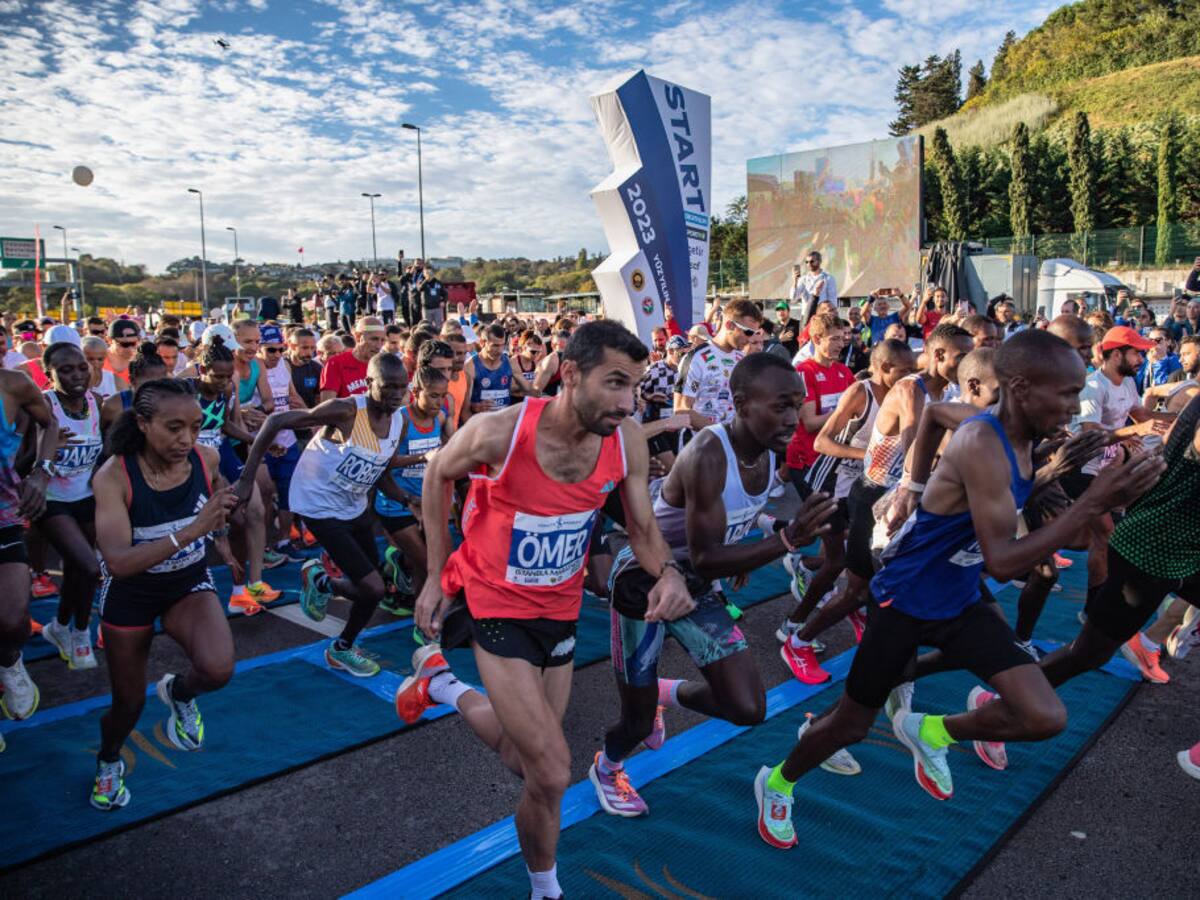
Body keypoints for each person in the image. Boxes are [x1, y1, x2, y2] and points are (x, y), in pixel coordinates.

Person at [753, 330, 1164, 849]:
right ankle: (778, 781)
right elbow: (1003, 561)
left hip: (959, 599)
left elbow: (934, 417)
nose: (1072, 406)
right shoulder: (981, 442)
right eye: (1063, 393)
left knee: (1043, 714)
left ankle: (931, 730)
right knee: (851, 726)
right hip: (904, 599)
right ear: (1019, 387)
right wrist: (1092, 503)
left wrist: (914, 486)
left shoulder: (1006, 433)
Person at [399, 321, 691, 900]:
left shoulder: (626, 439)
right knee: (554, 771)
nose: (627, 401)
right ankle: (546, 889)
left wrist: (671, 574)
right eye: (614, 383)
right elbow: (437, 472)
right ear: (570, 372)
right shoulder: (499, 432)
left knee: (522, 758)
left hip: (558, 611)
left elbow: (642, 529)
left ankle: (440, 687)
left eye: (634, 386)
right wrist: (435, 573)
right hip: (493, 603)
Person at [593, 354, 840, 816]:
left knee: (748, 707)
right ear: (741, 404)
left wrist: (753, 542)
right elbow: (706, 554)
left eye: (797, 405)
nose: (793, 419)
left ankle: (664, 692)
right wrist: (787, 538)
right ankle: (607, 766)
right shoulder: (709, 452)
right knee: (636, 720)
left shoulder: (770, 448)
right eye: (781, 407)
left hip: (701, 582)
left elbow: (733, 523)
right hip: (645, 581)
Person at [781, 326, 970, 684]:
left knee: (872, 585)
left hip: (892, 497)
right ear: (938, 355)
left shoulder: (950, 391)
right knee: (854, 582)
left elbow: (943, 446)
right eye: (963, 356)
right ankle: (797, 637)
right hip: (866, 494)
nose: (969, 363)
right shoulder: (908, 390)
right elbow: (917, 446)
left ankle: (876, 654)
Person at [90, 378, 239, 810]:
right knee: (129, 703)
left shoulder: (205, 457)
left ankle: (179, 693)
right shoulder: (114, 476)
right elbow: (117, 561)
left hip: (187, 581)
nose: (186, 438)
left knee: (217, 669)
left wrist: (223, 540)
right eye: (173, 427)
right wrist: (193, 530)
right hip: (131, 592)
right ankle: (108, 759)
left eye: (194, 427)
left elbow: (217, 505)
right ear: (142, 424)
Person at [238, 353, 410, 677]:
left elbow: (382, 472)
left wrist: (405, 499)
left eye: (402, 387)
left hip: (354, 504)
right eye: (389, 387)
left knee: (373, 586)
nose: (396, 395)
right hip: (317, 505)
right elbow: (276, 421)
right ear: (370, 383)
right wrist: (247, 479)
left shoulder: (398, 421)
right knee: (372, 588)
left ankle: (321, 581)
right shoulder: (346, 410)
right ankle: (341, 649)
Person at [190, 336, 280, 614]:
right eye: (217, 376)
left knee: (254, 511)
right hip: (194, 458)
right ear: (201, 371)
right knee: (231, 519)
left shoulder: (227, 389)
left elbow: (226, 425)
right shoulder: (186, 390)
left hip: (222, 452)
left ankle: (254, 583)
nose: (224, 381)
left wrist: (257, 440)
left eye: (229, 376)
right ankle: (226, 588)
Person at [0, 364, 64, 721]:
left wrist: (42, 473)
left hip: (4, 516)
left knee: (12, 621)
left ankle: (9, 661)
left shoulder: (12, 384)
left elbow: (50, 422)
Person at [36, 342, 105, 671]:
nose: (77, 374)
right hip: (51, 501)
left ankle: (60, 627)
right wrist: (49, 447)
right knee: (91, 567)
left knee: (80, 570)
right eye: (65, 370)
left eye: (81, 367)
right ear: (49, 375)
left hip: (86, 498)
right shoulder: (42, 407)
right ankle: (80, 633)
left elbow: (104, 452)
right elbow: (19, 463)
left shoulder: (96, 402)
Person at [375, 365, 451, 610]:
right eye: (433, 395)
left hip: (424, 501)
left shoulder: (439, 418)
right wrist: (422, 457)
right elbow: (385, 462)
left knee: (429, 561)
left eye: (442, 396)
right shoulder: (401, 420)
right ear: (416, 391)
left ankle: (401, 574)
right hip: (395, 504)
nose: (438, 402)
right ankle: (424, 614)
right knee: (427, 561)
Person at [676, 298, 763, 428]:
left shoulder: (741, 358)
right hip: (702, 444)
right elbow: (681, 410)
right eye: (748, 332)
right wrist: (722, 434)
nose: (750, 338)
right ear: (729, 325)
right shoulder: (695, 359)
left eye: (754, 333)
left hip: (735, 444)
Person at [319, 316, 386, 401]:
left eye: (383, 340)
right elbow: (327, 405)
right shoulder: (336, 363)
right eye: (374, 339)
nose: (379, 346)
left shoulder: (385, 365)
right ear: (358, 337)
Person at [466, 322, 527, 414]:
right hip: (481, 423)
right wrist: (474, 407)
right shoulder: (470, 366)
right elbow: (463, 409)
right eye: (495, 345)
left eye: (502, 345)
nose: (500, 351)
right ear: (482, 342)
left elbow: (529, 390)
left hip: (503, 422)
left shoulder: (510, 363)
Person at [105, 319, 141, 384]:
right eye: (124, 344)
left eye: (133, 343)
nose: (130, 349)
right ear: (109, 340)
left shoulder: (141, 362)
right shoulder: (97, 360)